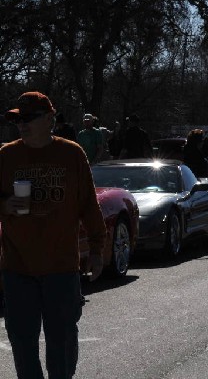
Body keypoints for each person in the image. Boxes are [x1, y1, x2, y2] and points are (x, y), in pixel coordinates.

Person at [0, 91, 106, 379]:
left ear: (50, 119)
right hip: (17, 268)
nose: (21, 124)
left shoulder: (71, 153)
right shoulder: (6, 155)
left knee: (62, 346)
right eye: (17, 119)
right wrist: (5, 205)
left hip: (61, 268)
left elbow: (89, 205)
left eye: (29, 118)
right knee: (23, 345)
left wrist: (97, 250)